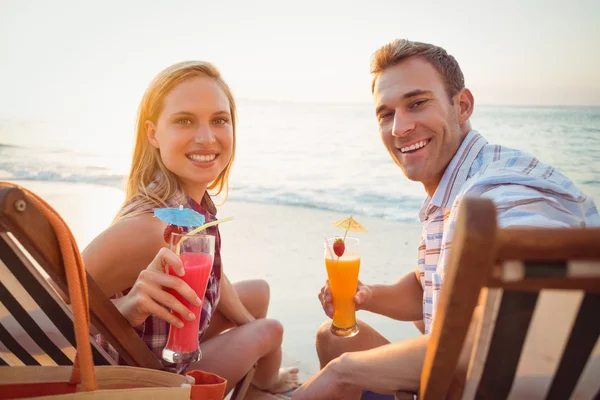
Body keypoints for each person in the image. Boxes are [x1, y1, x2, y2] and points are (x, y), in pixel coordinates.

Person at [292, 39, 600, 399]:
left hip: (493, 387)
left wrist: (343, 374)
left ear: (462, 105)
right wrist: (368, 295)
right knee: (333, 338)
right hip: (459, 379)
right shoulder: (452, 188)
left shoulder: (498, 189)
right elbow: (433, 286)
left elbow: (522, 322)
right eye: (386, 114)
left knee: (340, 364)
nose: (399, 128)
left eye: (417, 103)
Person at [82, 61, 299, 396]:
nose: (206, 137)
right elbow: (50, 312)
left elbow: (214, 274)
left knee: (258, 293)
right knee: (271, 331)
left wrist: (245, 322)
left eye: (219, 120)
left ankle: (258, 379)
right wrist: (126, 310)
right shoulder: (149, 228)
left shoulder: (193, 206)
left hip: (179, 337)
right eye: (184, 121)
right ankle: (267, 385)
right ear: (153, 133)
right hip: (155, 377)